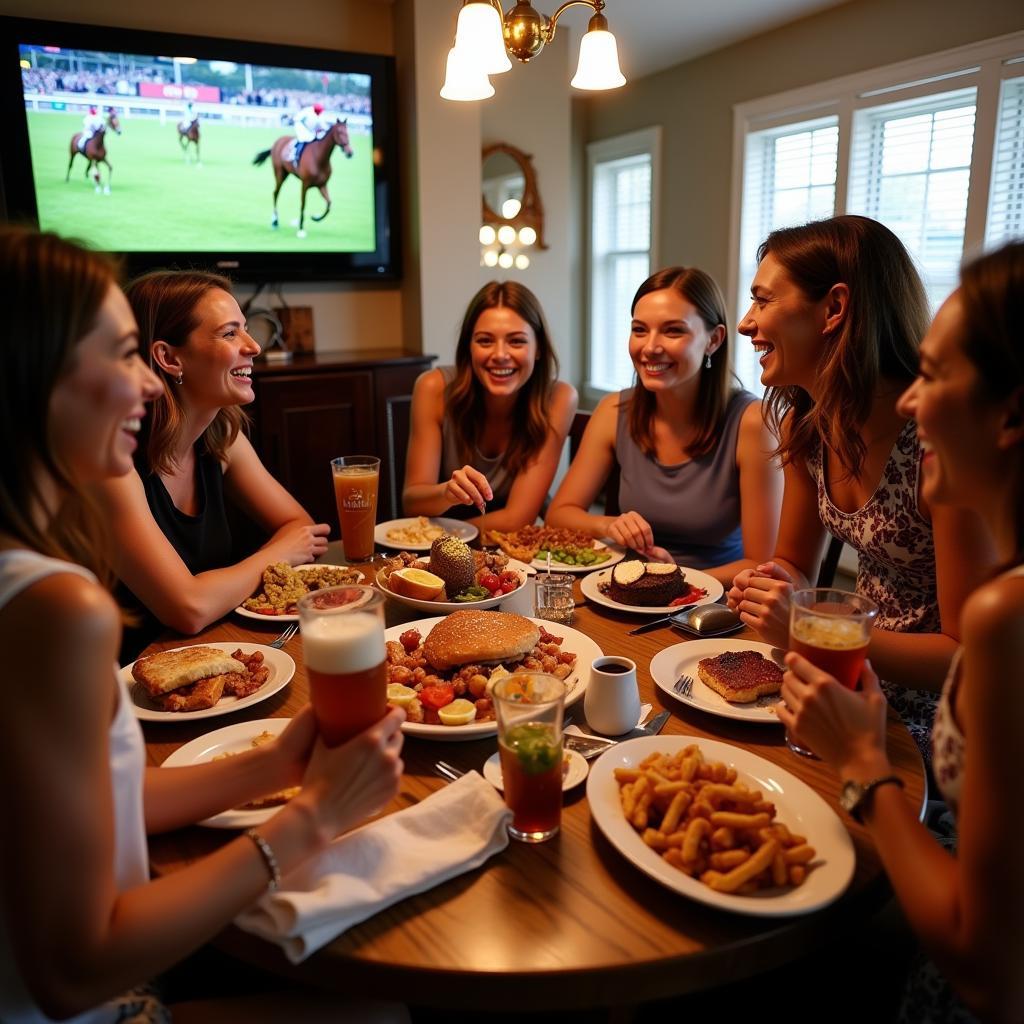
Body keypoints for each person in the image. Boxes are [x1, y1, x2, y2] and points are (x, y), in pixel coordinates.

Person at [0, 225, 406, 1023]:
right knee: (384, 1009)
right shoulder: (58, 608)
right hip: (103, 1006)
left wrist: (271, 766)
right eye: (122, 355)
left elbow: (105, 799)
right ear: (38, 374)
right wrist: (310, 818)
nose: (148, 387)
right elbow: (72, 972)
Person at [779, 241, 1024, 1022]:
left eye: (936, 375)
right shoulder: (816, 427)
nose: (913, 404)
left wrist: (861, 762)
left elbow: (989, 973)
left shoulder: (1003, 618)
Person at [727, 215, 994, 759]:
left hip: (937, 722)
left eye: (762, 300)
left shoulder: (938, 444)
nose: (745, 323)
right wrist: (771, 587)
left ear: (834, 309)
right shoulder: (808, 423)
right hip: (839, 677)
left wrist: (806, 623)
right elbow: (792, 563)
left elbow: (968, 655)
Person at [94, 270, 330, 660]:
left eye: (246, 330)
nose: (253, 346)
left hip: (216, 654)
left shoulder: (221, 438)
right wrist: (276, 555)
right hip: (130, 690)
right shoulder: (112, 463)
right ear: (169, 358)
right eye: (230, 333)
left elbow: (302, 528)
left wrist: (274, 555)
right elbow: (188, 607)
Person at [545, 266, 782, 584]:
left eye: (673, 331)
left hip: (714, 600)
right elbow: (559, 515)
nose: (650, 347)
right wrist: (609, 525)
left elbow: (761, 563)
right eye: (640, 330)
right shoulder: (614, 410)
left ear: (714, 339)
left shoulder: (753, 422)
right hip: (628, 589)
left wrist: (675, 579)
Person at [402, 281, 577, 529]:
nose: (500, 354)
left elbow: (519, 518)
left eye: (516, 341)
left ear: (538, 348)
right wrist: (445, 494)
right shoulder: (433, 387)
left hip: (506, 548)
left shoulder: (559, 398)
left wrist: (455, 540)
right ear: (469, 348)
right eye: (485, 341)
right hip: (435, 544)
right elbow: (412, 504)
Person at [292, 100, 327, 167]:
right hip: (300, 126)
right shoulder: (307, 111)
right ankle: (296, 156)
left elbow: (322, 124)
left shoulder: (319, 113)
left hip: (310, 129)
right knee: (303, 139)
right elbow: (297, 119)